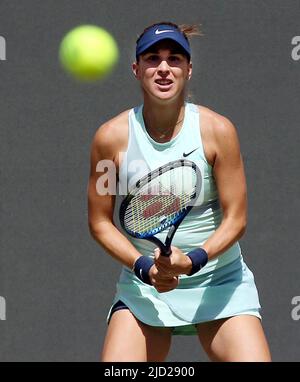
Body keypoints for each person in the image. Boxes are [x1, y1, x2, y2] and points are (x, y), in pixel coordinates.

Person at [88, 21, 271, 362]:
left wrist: (193, 260)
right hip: (145, 289)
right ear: (135, 68)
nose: (163, 68)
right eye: (152, 58)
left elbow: (236, 219)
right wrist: (144, 267)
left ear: (188, 69)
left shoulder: (218, 131)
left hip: (219, 281)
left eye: (174, 59)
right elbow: (100, 222)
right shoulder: (110, 139)